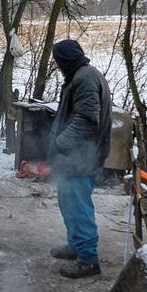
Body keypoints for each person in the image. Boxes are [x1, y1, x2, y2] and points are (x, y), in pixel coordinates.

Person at [47, 39, 112, 278]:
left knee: (77, 207)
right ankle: (76, 246)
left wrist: (59, 142)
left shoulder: (84, 78)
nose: (56, 64)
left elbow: (86, 120)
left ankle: (88, 260)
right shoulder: (83, 75)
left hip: (80, 158)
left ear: (65, 60)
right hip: (76, 157)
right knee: (69, 203)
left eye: (57, 60)